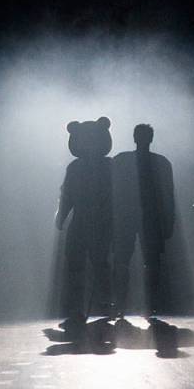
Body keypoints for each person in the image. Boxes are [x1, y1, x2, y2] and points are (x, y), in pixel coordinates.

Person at [56, 117, 114, 335]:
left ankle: (96, 305)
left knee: (87, 266)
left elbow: (67, 197)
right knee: (88, 265)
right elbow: (68, 196)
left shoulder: (81, 167)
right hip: (94, 223)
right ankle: (96, 305)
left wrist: (61, 218)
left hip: (89, 223)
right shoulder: (107, 166)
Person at [111, 124, 175, 318]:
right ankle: (148, 304)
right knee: (148, 263)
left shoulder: (121, 160)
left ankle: (122, 303)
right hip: (146, 218)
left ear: (134, 137)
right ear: (150, 138)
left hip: (130, 217)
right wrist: (169, 220)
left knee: (127, 261)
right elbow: (168, 195)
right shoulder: (161, 163)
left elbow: (111, 191)